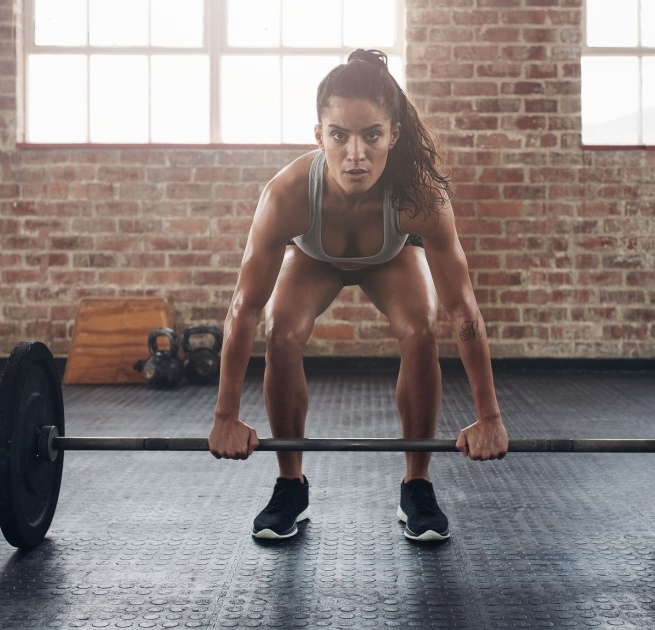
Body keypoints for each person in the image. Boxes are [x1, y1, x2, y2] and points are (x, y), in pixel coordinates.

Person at [207, 49, 508, 542]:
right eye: (339, 136)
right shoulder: (286, 196)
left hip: (391, 258)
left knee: (419, 330)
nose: (355, 154)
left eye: (372, 135)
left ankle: (417, 485)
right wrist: (224, 416)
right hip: (314, 259)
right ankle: (290, 485)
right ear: (318, 136)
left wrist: (490, 417)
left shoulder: (421, 197)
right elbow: (244, 309)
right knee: (280, 332)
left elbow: (463, 310)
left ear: (394, 134)